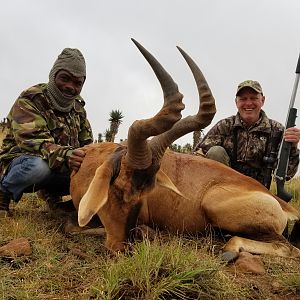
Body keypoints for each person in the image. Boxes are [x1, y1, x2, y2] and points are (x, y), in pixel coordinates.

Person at [0, 48, 93, 217]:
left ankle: (53, 197)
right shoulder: (30, 99)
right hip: (22, 162)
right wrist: (68, 155)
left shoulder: (78, 108)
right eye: (65, 78)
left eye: (77, 83)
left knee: (93, 171)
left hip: (60, 165)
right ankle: (3, 192)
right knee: (38, 167)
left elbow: (88, 147)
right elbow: (34, 144)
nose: (70, 87)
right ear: (53, 75)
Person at [194, 80, 300, 188]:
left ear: (262, 100)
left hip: (258, 192)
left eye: (254, 98)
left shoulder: (277, 130)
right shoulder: (224, 126)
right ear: (236, 102)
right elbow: (197, 157)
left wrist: (292, 146)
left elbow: (287, 174)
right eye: (243, 99)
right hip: (226, 190)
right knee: (216, 152)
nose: (248, 103)